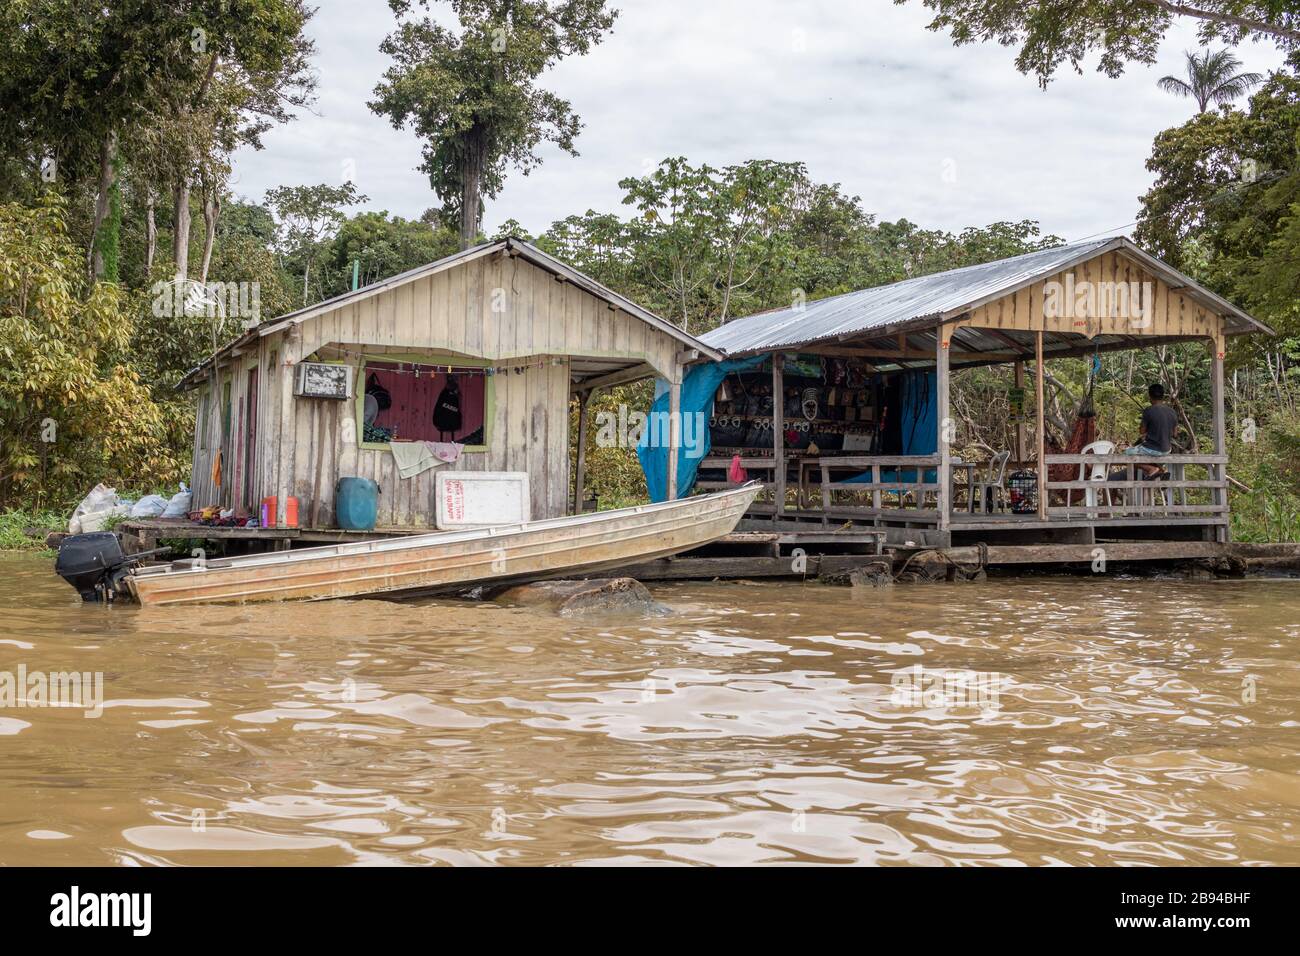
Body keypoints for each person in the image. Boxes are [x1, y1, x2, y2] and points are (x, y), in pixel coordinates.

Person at [1124, 383, 1177, 477]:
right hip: (1167, 449)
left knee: (1127, 453)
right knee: (1146, 451)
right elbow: (1175, 433)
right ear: (1163, 396)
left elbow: (1142, 431)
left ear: (1150, 396)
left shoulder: (1149, 411)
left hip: (1153, 450)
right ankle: (1161, 471)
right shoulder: (1172, 412)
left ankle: (1151, 469)